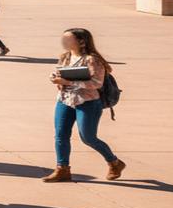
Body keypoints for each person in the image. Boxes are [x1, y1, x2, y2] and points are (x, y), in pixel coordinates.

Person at [44, 28, 125, 183]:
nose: (64, 42)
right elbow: (58, 72)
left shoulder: (92, 60)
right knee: (60, 135)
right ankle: (62, 169)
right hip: (65, 100)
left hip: (87, 102)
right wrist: (55, 79)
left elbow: (96, 83)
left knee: (88, 137)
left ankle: (114, 162)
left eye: (68, 39)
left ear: (81, 41)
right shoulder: (65, 57)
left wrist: (68, 82)